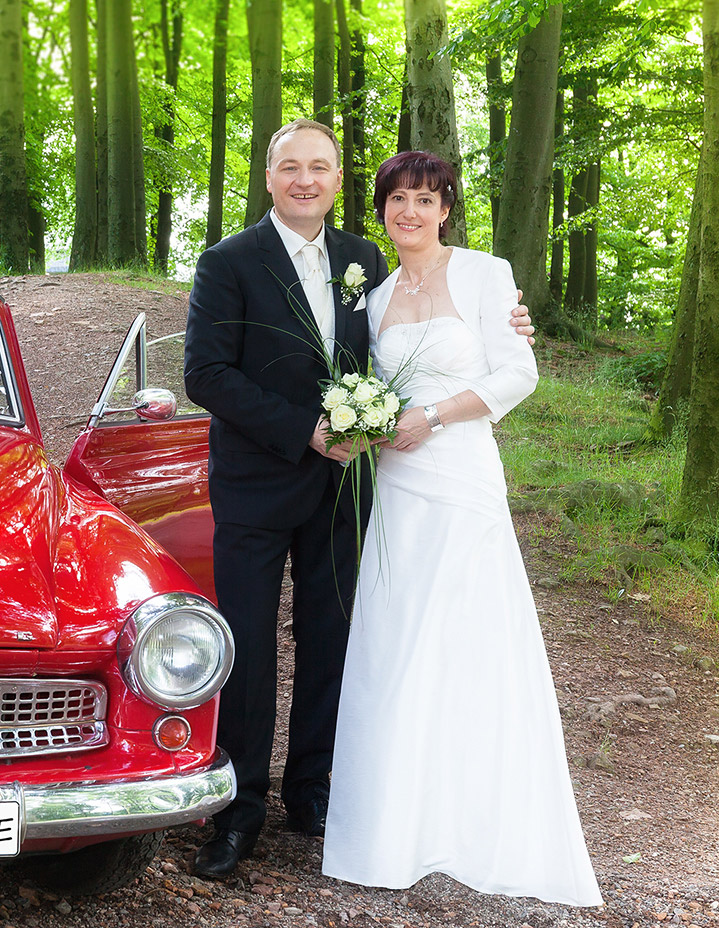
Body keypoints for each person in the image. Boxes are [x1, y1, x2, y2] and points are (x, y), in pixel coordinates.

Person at [182, 121, 534, 880]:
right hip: (255, 483)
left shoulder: (361, 261)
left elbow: (396, 351)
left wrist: (507, 323)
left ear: (338, 180)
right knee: (244, 645)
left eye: (319, 167)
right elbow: (205, 375)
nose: (304, 179)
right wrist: (304, 430)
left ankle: (311, 792)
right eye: (289, 167)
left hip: (347, 487)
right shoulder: (227, 261)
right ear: (269, 176)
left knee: (334, 637)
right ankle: (238, 809)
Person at [320, 150, 601, 906]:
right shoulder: (371, 300)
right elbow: (368, 386)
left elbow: (517, 373)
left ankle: (479, 817)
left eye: (424, 198)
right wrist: (369, 423)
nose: (408, 211)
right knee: (398, 636)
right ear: (379, 210)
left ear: (445, 208)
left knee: (470, 634)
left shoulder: (484, 274)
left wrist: (432, 417)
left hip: (460, 472)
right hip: (398, 485)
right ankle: (393, 822)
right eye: (395, 199)